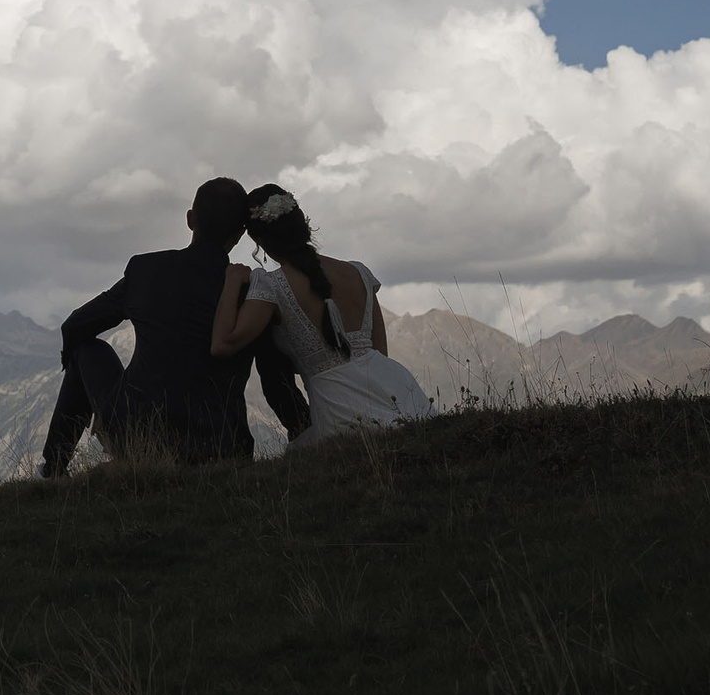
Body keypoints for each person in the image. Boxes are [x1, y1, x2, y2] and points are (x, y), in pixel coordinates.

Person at [41, 178, 311, 476]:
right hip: (222, 446)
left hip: (137, 436)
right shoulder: (252, 291)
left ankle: (53, 469)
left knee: (85, 347)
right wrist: (305, 432)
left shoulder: (146, 270)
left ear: (190, 219)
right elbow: (276, 384)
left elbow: (75, 326)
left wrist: (71, 361)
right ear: (239, 234)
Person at [209, 183, 435, 442]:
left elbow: (222, 344)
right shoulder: (359, 273)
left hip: (337, 404)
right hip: (399, 390)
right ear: (301, 224)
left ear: (259, 242)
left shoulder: (270, 285)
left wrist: (232, 281)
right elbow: (378, 353)